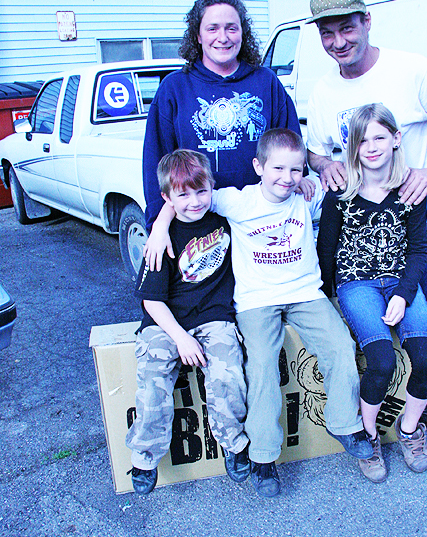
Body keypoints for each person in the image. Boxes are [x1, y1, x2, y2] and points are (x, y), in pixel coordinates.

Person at [150, 128, 374, 497]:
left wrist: (321, 174)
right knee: (262, 366)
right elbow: (187, 195)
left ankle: (343, 423)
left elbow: (351, 180)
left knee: (339, 345)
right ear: (258, 166)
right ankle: (264, 457)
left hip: (305, 292)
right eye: (278, 169)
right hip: (257, 300)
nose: (287, 179)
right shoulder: (238, 201)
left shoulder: (307, 193)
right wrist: (160, 226)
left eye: (296, 170)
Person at [306, 0, 427, 427]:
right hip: (356, 234)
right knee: (369, 324)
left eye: (347, 28)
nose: (338, 42)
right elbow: (314, 148)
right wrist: (324, 164)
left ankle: (425, 392)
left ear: (366, 21)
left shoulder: (411, 69)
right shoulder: (324, 90)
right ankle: (378, 387)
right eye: (328, 33)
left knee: (417, 311)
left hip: (407, 223)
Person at [317, 103, 427, 483]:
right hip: (358, 285)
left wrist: (404, 294)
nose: (371, 146)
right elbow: (326, 248)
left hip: (402, 282)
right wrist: (324, 298)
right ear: (352, 147)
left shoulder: (411, 190)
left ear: (396, 139)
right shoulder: (341, 194)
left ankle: (409, 429)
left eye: (379, 137)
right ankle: (368, 437)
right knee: (382, 361)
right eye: (362, 140)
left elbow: (419, 249)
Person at [126, 149, 249, 495]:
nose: (194, 202)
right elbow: (151, 299)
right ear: (167, 198)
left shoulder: (225, 218)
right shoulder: (160, 237)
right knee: (153, 375)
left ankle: (233, 443)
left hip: (213, 315)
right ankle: (145, 455)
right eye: (182, 195)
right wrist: (180, 338)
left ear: (212, 186)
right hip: (165, 319)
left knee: (228, 372)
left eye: (201, 191)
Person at [142, 0, 301, 240]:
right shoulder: (174, 88)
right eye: (212, 28)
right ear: (197, 35)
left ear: (242, 32)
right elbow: (156, 162)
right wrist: (158, 225)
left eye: (231, 28)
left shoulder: (266, 83)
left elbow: (292, 149)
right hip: (196, 224)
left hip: (260, 223)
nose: (223, 37)